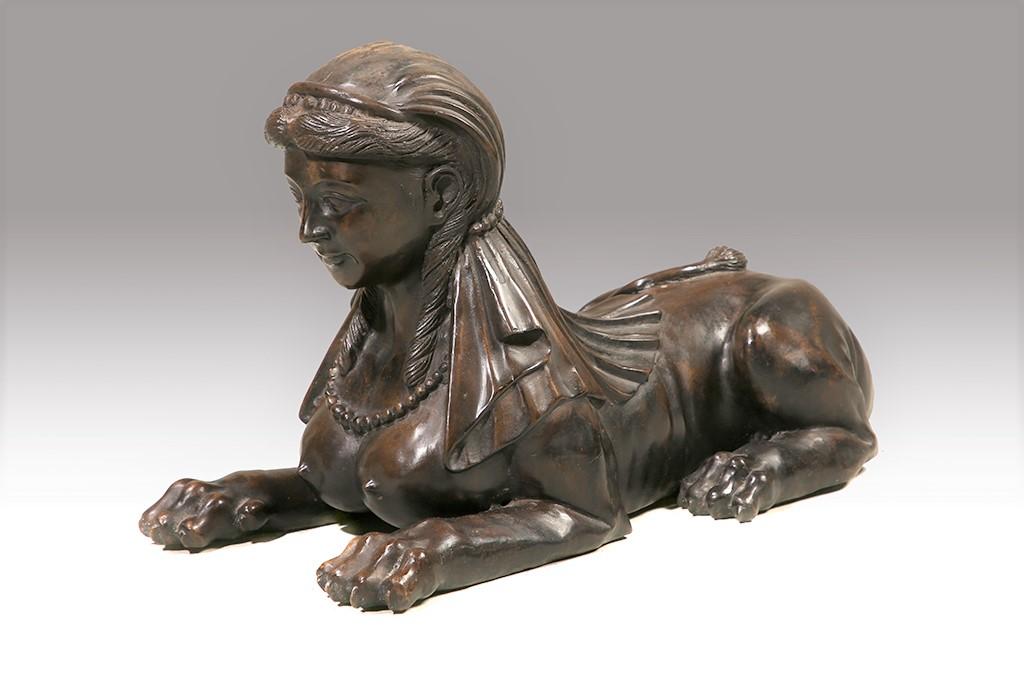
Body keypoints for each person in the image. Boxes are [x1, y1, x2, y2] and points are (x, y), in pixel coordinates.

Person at [140, 42, 877, 612]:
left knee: (768, 338)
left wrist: (443, 545)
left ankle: (823, 443)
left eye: (339, 202)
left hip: (750, 325)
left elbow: (587, 513)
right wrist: (249, 494)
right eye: (299, 197)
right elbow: (345, 489)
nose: (307, 229)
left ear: (442, 194)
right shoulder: (371, 361)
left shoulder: (539, 396)